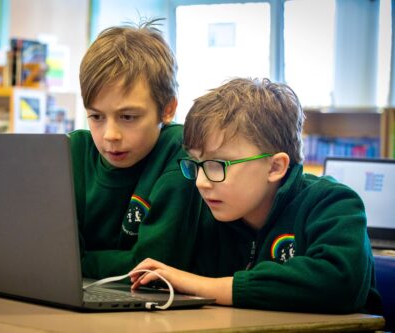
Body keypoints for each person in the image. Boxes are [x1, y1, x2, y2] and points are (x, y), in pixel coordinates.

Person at [130, 78, 382, 314]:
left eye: (219, 165)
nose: (201, 182)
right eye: (197, 163)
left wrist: (203, 286)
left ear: (275, 167)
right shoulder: (210, 214)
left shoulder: (332, 203)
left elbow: (339, 283)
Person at [69, 19, 205, 279]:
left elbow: (156, 266)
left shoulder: (180, 152)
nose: (110, 135)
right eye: (96, 117)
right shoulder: (72, 151)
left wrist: (79, 261)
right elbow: (51, 255)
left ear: (168, 109)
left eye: (128, 117)